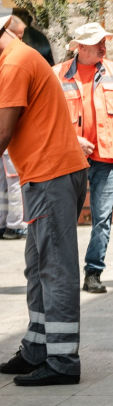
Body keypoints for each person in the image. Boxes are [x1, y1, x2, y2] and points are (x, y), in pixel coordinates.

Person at [0, 14, 89, 386]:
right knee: (38, 267)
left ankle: (63, 360)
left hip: (50, 174)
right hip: (49, 173)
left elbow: (2, 131)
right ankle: (37, 348)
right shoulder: (16, 58)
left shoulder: (14, 64)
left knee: (54, 269)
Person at [52, 23, 113, 295]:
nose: (104, 46)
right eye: (98, 42)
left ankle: (93, 273)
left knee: (102, 218)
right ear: (81, 47)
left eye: (104, 41)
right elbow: (49, 118)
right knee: (65, 218)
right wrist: (74, 140)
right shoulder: (57, 74)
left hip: (105, 157)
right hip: (69, 157)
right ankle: (63, 274)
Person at [0, 15, 28, 241]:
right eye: (19, 35)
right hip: (8, 133)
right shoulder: (11, 62)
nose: (21, 40)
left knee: (6, 180)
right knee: (12, 179)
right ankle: (16, 224)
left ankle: (6, 222)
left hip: (6, 131)